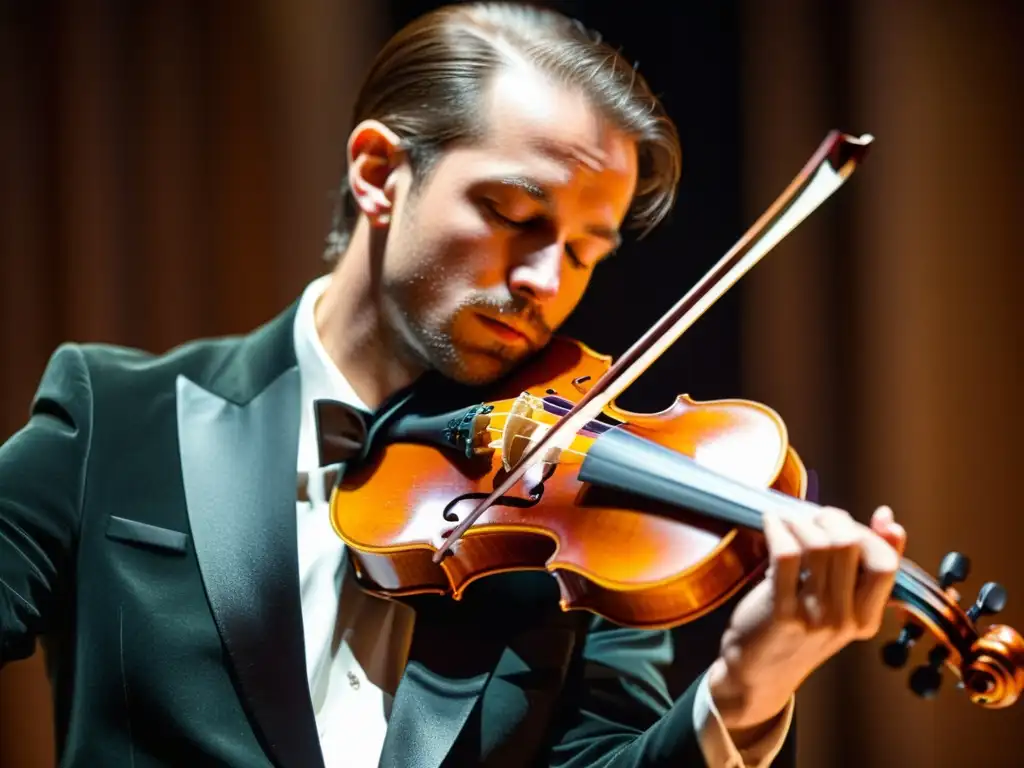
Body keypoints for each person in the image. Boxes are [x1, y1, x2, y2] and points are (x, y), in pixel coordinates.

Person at [0, 3, 906, 767]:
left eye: (587, 251)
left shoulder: (587, 515)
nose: (548, 282)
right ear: (377, 172)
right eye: (514, 216)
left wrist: (744, 691)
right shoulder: (110, 416)